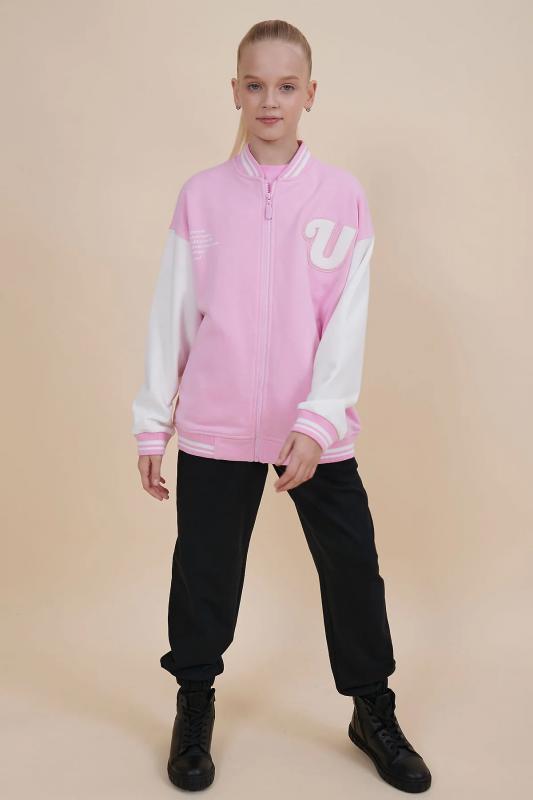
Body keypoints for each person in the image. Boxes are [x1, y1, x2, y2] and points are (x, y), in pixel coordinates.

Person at [131, 18, 432, 794]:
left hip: (312, 430)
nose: (270, 101)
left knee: (352, 568)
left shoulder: (342, 198)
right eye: (256, 85)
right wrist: (153, 421)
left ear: (309, 95)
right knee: (203, 572)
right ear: (235, 91)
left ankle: (371, 709)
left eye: (286, 86)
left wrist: (315, 422)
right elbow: (173, 313)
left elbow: (346, 321)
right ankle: (193, 703)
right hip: (217, 423)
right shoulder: (201, 198)